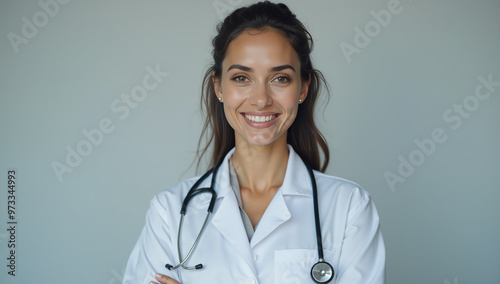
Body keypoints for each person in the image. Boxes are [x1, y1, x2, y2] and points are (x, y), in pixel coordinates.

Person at [123, 2, 385, 283]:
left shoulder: (348, 208)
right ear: (219, 87)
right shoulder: (170, 212)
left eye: (280, 78)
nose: (261, 99)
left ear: (303, 88)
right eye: (242, 78)